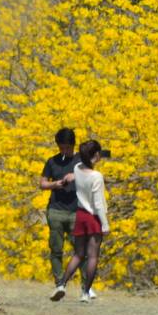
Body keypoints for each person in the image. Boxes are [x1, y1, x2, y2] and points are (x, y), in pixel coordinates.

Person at [57, 139, 109, 303]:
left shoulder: (77, 168)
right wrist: (105, 223)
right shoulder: (97, 176)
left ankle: (61, 285)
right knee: (92, 257)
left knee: (78, 254)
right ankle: (85, 293)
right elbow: (98, 203)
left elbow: (78, 171)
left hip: (80, 215)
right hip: (93, 217)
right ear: (96, 155)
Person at [40, 128, 79, 297]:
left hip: (76, 212)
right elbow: (42, 183)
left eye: (67, 148)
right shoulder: (52, 162)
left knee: (81, 250)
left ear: (73, 146)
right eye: (61, 147)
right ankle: (59, 284)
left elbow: (94, 174)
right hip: (55, 211)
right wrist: (54, 184)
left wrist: (75, 175)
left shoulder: (80, 161)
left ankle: (86, 287)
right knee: (56, 249)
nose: (64, 151)